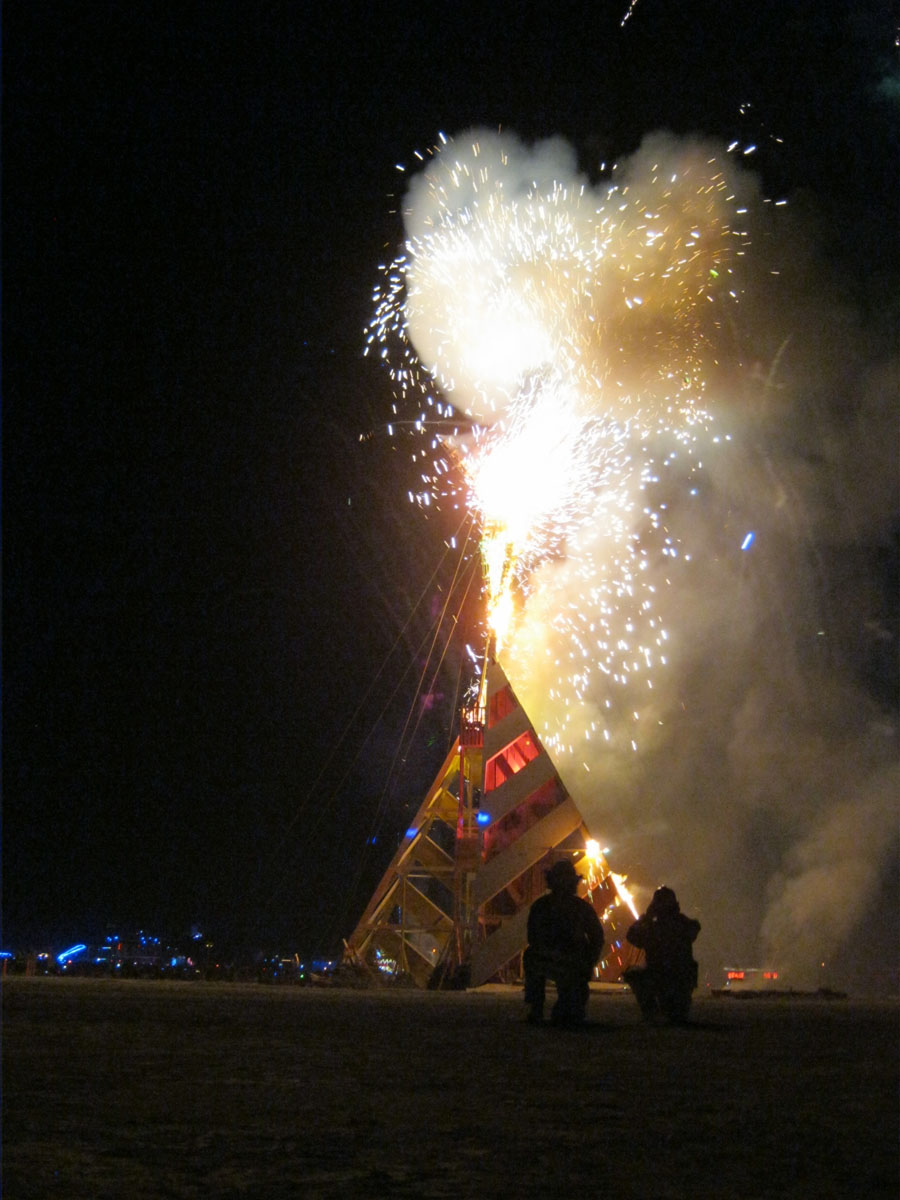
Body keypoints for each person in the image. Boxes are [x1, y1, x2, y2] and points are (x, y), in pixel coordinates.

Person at [523, 858, 604, 1027]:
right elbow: (597, 938)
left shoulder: (541, 906)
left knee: (568, 1011)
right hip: (566, 961)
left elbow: (532, 938)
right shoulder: (580, 907)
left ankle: (538, 1009)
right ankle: (541, 1008)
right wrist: (588, 961)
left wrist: (585, 962)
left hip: (563, 961)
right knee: (570, 1012)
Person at [623, 886, 700, 1024]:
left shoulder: (652, 929)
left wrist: (646, 917)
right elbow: (694, 927)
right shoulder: (683, 925)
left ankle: (650, 1011)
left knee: (632, 973)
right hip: (681, 982)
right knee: (677, 1014)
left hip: (660, 979)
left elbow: (631, 935)